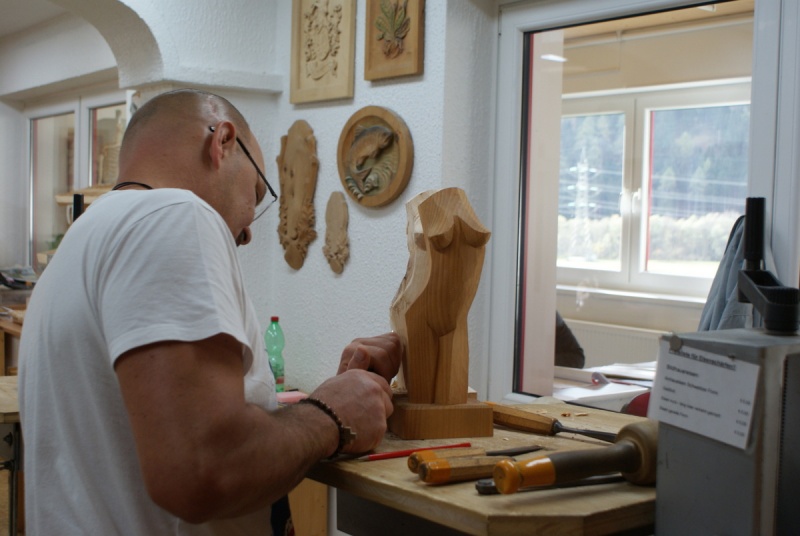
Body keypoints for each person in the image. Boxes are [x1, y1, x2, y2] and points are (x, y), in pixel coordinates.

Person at [19, 89, 403, 535]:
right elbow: (202, 469)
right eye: (257, 192)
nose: (248, 233)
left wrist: (332, 400)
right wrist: (330, 416)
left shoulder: (81, 241)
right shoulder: (173, 214)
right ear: (221, 142)